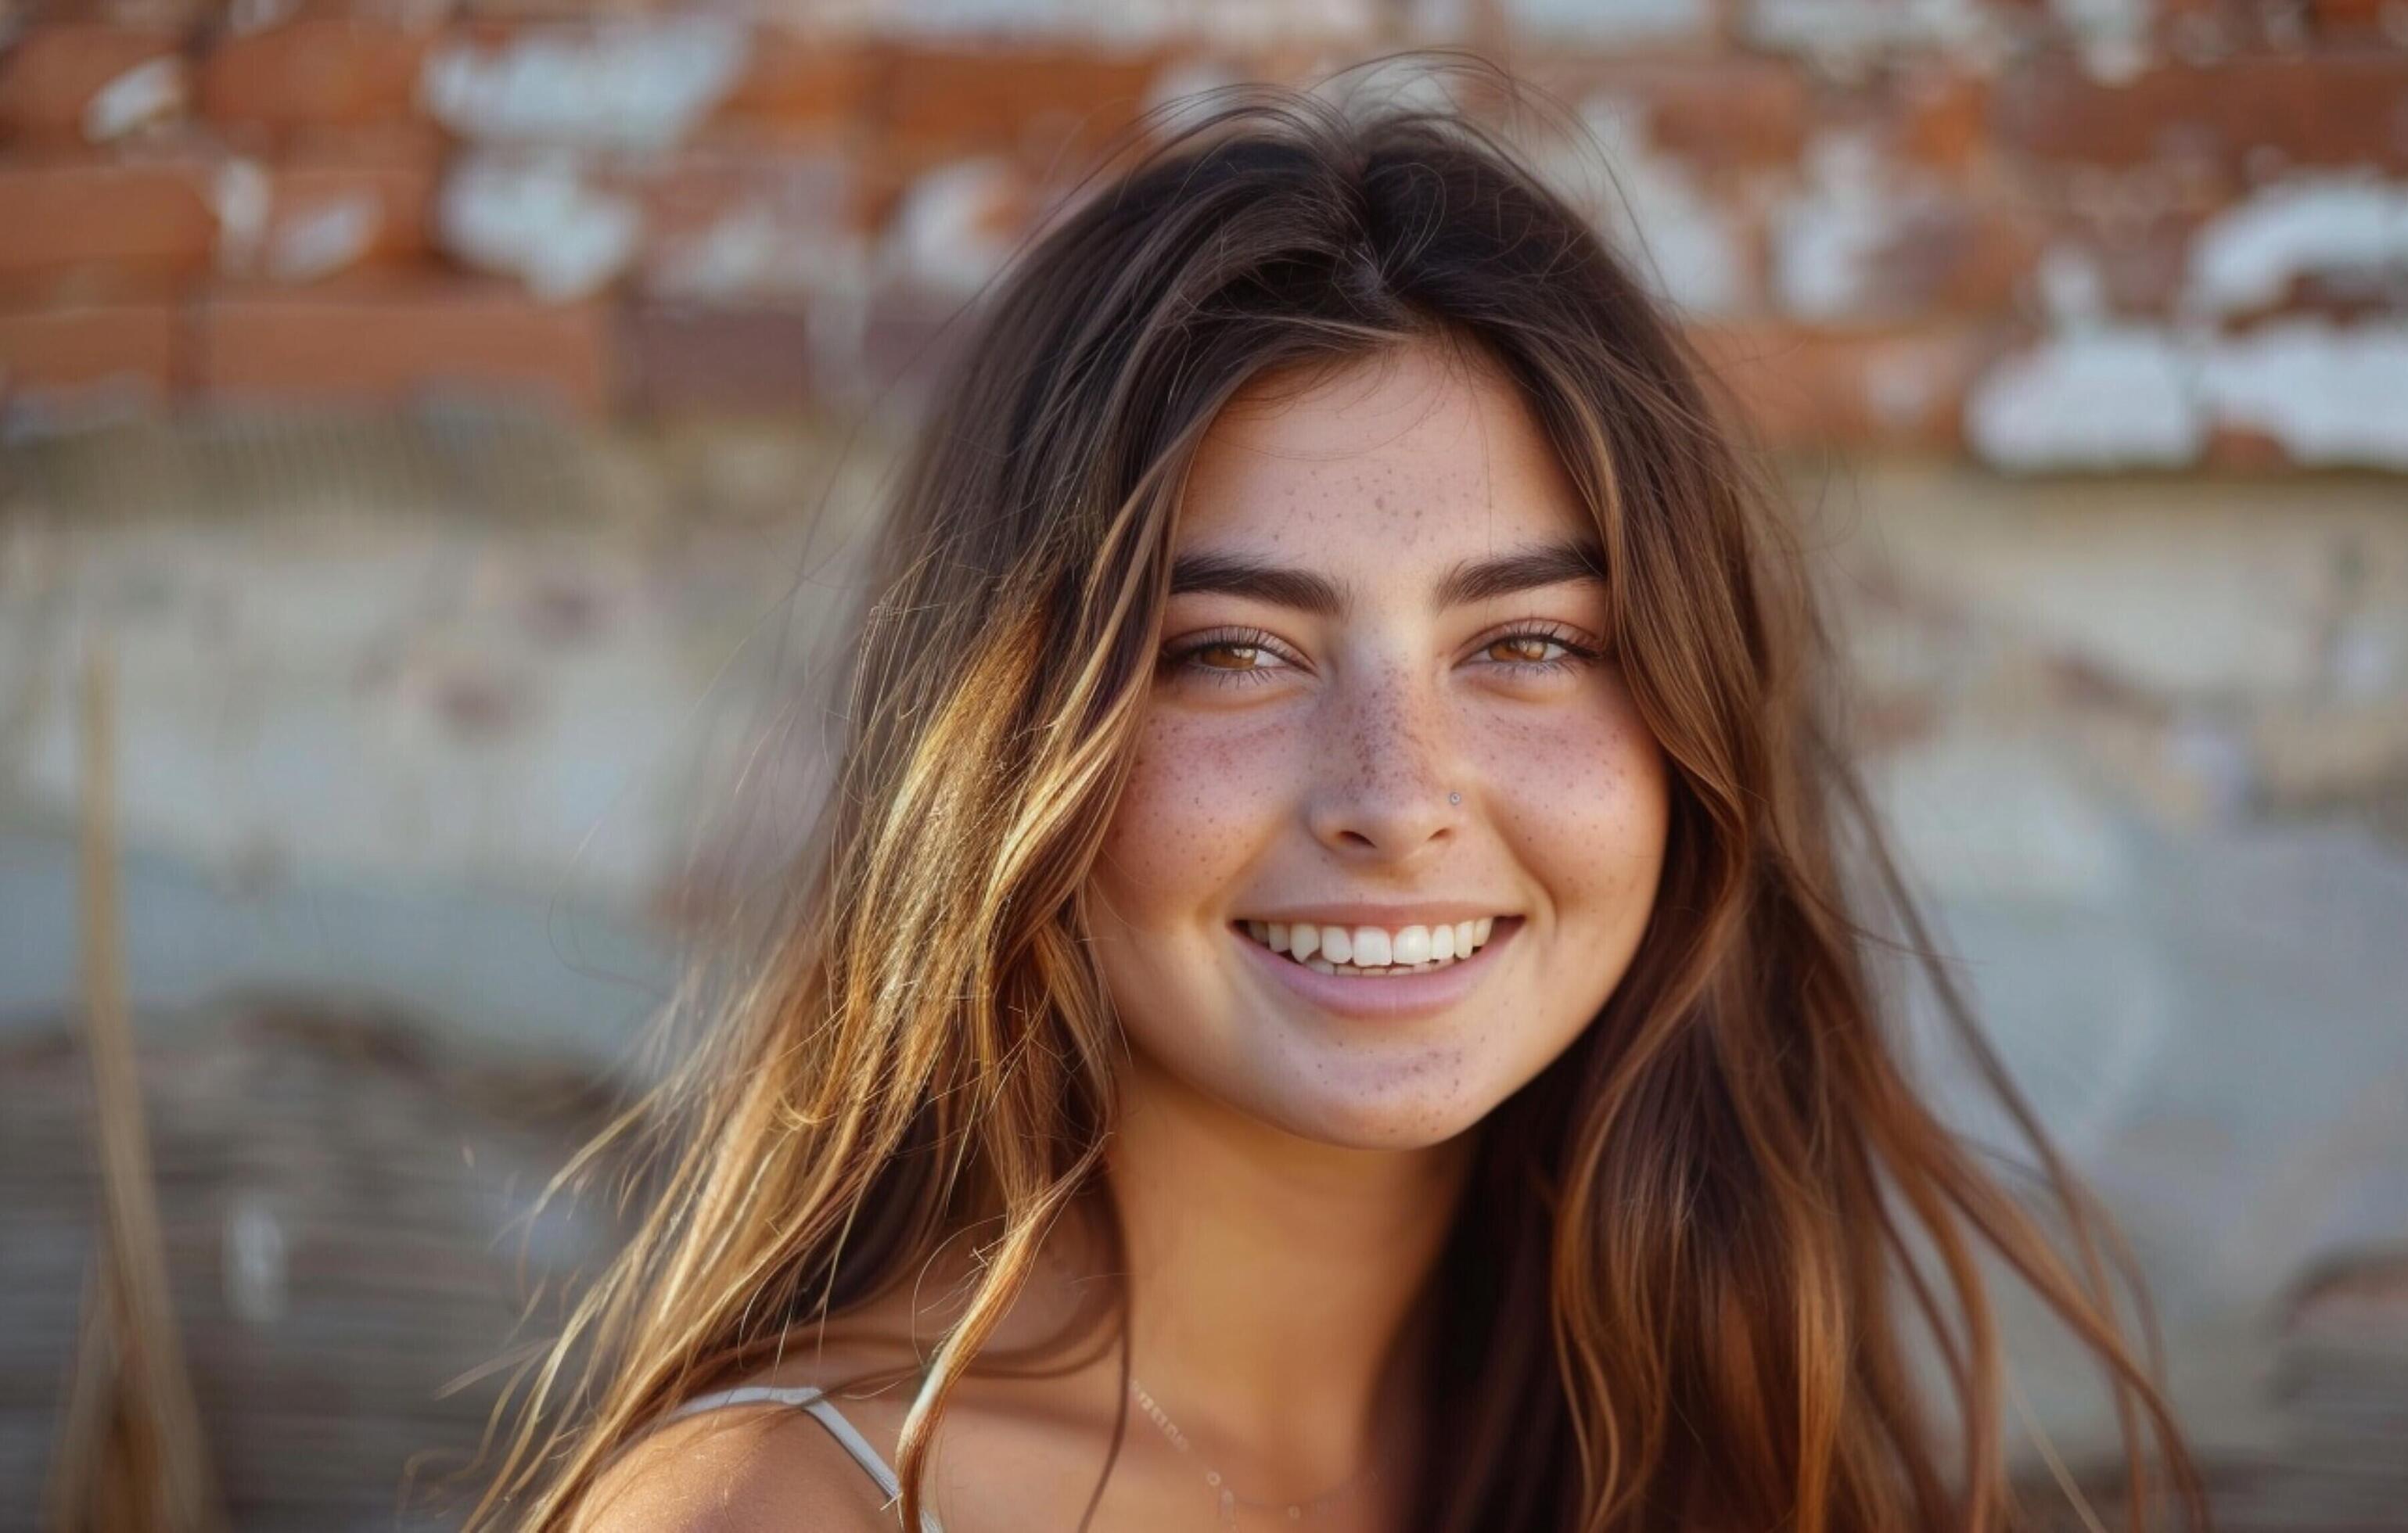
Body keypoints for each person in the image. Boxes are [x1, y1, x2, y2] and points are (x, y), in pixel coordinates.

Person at [473, 70, 2205, 1532]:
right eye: (1230, 651)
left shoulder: (1695, 1438)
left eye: (1530, 639)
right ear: (1010, 741)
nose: (1397, 795)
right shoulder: (791, 1508)